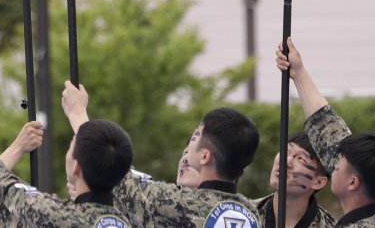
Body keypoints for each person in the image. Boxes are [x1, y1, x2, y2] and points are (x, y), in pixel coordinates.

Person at [62, 82, 261, 228]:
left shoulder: (181, 203)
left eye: (196, 136)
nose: (189, 145)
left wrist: (77, 114)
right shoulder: (252, 212)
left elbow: (119, 175)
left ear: (205, 157)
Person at [277, 38, 375, 227]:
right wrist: (298, 73)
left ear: (353, 183)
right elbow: (327, 128)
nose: (332, 163)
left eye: (337, 167)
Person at [0, 109, 138, 228]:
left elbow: (3, 189)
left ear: (76, 167)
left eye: (71, 147)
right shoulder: (131, 218)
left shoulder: (60, 217)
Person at [255, 131, 335, 228]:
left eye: (301, 159)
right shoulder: (244, 214)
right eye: (286, 151)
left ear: (318, 182)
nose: (286, 161)